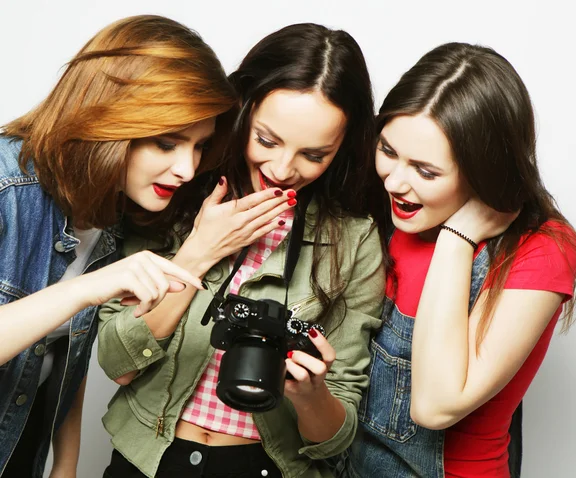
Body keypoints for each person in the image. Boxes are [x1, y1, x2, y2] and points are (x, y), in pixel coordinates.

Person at [97, 22, 388, 478]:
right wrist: (197, 252)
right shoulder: (174, 191)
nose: (282, 168)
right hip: (147, 461)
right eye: (267, 140)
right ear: (243, 110)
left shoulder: (354, 239)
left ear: (343, 147)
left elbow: (334, 438)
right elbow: (118, 365)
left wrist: (313, 395)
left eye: (314, 155)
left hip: (265, 467)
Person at [0, 14, 241, 478]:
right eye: (166, 143)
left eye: (198, 146)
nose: (187, 170)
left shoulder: (108, 216)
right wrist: (85, 289)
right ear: (110, 117)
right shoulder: (7, 185)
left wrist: (64, 464)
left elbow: (64, 353)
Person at [337, 42, 576, 478]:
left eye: (426, 171)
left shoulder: (541, 248)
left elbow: (436, 405)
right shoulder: (388, 214)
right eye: (388, 151)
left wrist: (457, 238)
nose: (394, 181)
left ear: (483, 168)